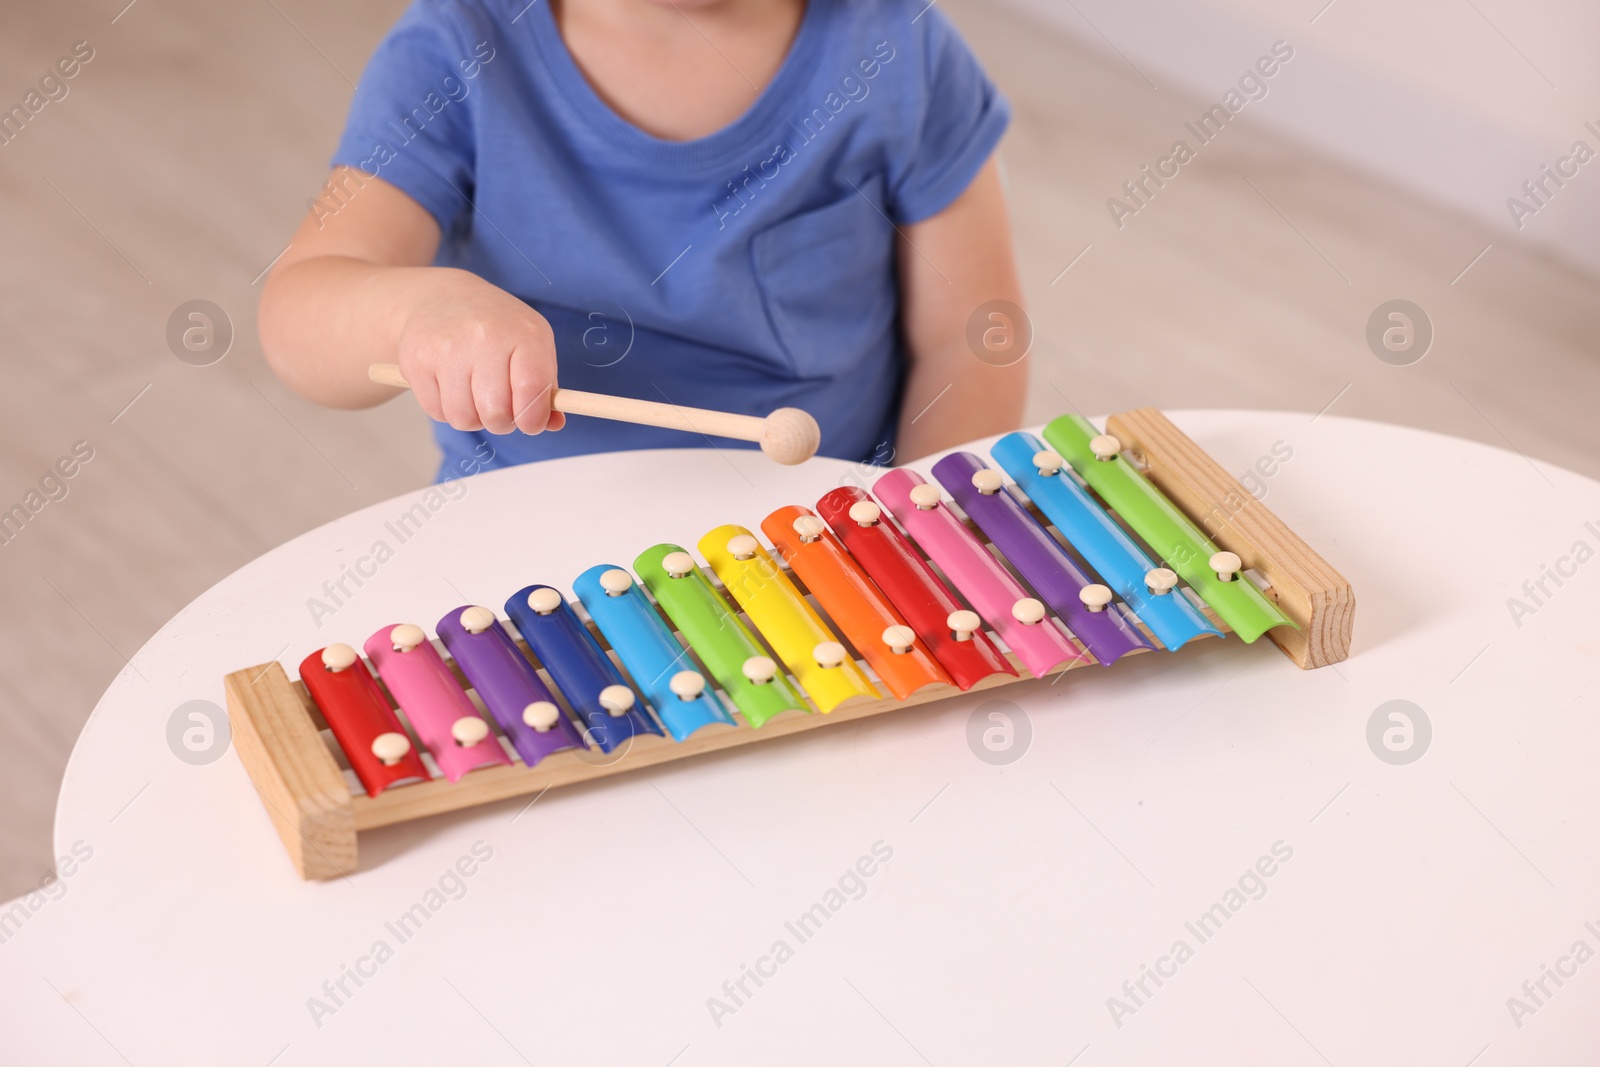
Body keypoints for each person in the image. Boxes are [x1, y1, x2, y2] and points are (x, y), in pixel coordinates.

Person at [260, 0, 1029, 477]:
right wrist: (417, 309)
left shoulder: (901, 46)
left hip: (821, 530)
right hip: (528, 527)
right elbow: (302, 307)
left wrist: (921, 516)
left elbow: (972, 341)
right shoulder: (457, 46)